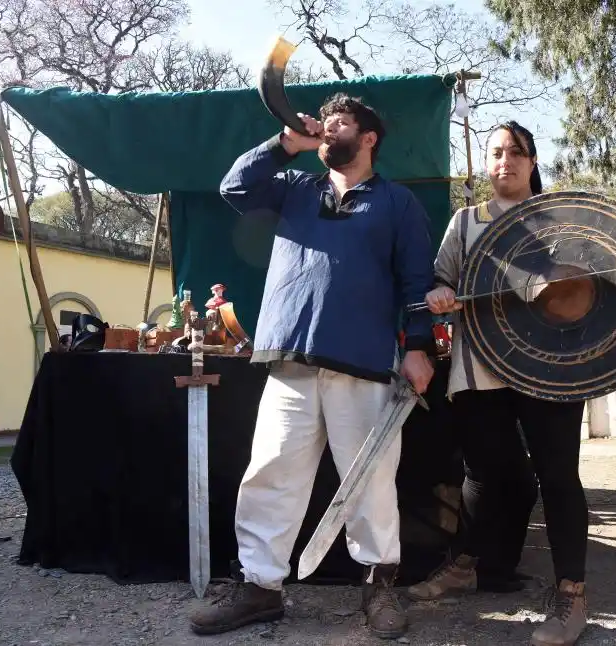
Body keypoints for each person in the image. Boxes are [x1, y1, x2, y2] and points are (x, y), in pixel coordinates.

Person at [188, 93, 437, 639]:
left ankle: (378, 585)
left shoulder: (396, 203)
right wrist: (285, 145)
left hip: (364, 364)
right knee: (271, 474)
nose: (328, 130)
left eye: (340, 123)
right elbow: (235, 188)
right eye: (323, 124)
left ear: (368, 138)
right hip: (291, 360)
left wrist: (419, 346)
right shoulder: (296, 189)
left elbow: (418, 282)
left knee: (368, 482)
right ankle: (259, 588)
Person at [404, 121, 590, 646]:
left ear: (532, 161)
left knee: (558, 477)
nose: (504, 161)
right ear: (486, 164)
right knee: (484, 473)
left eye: (515, 152)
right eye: (495, 153)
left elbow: (597, 287)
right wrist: (441, 294)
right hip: (480, 366)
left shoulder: (566, 220)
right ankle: (465, 565)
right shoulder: (465, 223)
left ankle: (571, 595)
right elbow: (440, 279)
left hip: (550, 368)